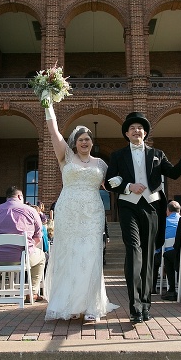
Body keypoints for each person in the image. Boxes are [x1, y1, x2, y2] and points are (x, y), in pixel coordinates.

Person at [106, 112, 181, 323]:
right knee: (134, 251)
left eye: (140, 128)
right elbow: (110, 180)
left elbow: (173, 173)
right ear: (127, 134)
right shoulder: (118, 156)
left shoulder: (157, 153)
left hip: (152, 208)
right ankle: (135, 306)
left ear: (145, 133)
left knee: (147, 256)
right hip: (128, 206)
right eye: (132, 128)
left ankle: (146, 304)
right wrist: (128, 186)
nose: (136, 130)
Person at [41, 108, 117, 321]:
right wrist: (48, 104)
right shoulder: (66, 157)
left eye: (88, 139)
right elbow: (54, 131)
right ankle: (71, 304)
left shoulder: (101, 164)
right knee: (70, 254)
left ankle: (91, 306)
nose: (85, 142)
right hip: (69, 211)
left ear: (92, 143)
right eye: (81, 139)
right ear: (75, 142)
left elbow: (111, 186)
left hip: (93, 212)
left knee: (91, 255)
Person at [0, 186, 46, 304]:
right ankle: (32, 292)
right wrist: (29, 246)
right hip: (22, 257)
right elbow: (38, 236)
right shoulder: (31, 211)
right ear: (19, 196)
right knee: (42, 257)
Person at [153, 200, 181, 287]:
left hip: (167, 255)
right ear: (179, 211)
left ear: (168, 210)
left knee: (154, 259)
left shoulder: (164, 223)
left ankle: (153, 287)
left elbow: (158, 242)